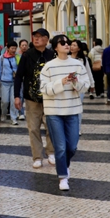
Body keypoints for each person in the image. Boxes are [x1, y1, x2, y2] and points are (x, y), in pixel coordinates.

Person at [40, 35, 90, 191]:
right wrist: (61, 82)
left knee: (72, 147)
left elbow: (86, 86)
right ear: (55, 47)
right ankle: (63, 176)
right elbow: (44, 89)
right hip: (54, 112)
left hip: (73, 110)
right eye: (63, 43)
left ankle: (64, 165)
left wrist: (75, 82)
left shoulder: (78, 65)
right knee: (60, 147)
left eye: (68, 42)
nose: (67, 45)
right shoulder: (48, 67)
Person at [14, 28, 56, 168]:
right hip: (32, 98)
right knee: (33, 128)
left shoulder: (53, 55)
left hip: (50, 97)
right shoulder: (27, 55)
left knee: (51, 126)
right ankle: (37, 156)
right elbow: (19, 76)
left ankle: (51, 152)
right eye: (35, 36)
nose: (36, 39)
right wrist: (17, 96)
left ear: (46, 39)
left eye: (39, 36)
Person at [70, 39, 95, 136]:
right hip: (68, 87)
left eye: (74, 45)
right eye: (71, 45)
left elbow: (88, 72)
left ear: (79, 48)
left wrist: (92, 84)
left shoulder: (82, 59)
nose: (72, 47)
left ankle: (78, 128)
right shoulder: (66, 58)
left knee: (78, 108)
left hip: (79, 87)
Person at [0, 41, 20, 125]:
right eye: (12, 48)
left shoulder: (17, 57)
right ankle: (3, 114)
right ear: (8, 48)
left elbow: (20, 68)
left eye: (15, 48)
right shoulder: (2, 57)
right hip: (4, 82)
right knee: (5, 101)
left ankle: (13, 117)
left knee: (13, 101)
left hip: (14, 82)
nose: (14, 50)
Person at [16, 39, 30, 120]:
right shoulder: (16, 55)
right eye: (23, 45)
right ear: (20, 46)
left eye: (26, 45)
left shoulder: (29, 55)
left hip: (27, 79)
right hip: (19, 78)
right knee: (20, 96)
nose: (24, 47)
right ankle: (20, 112)